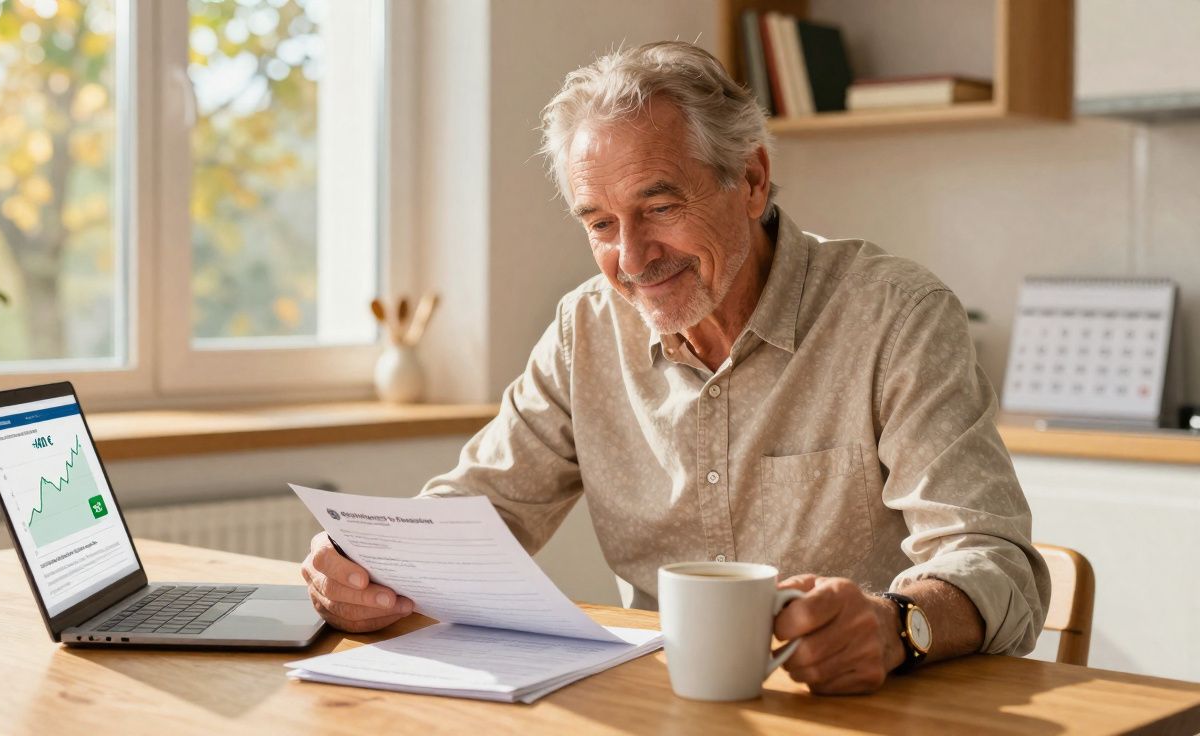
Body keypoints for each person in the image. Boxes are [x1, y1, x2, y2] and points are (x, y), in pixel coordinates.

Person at [300, 41, 1050, 695]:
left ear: (751, 181)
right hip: (664, 709)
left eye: (659, 208)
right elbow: (473, 519)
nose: (631, 260)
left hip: (868, 709)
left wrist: (898, 624)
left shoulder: (894, 316)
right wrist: (366, 570)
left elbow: (993, 560)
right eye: (600, 223)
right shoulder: (584, 331)